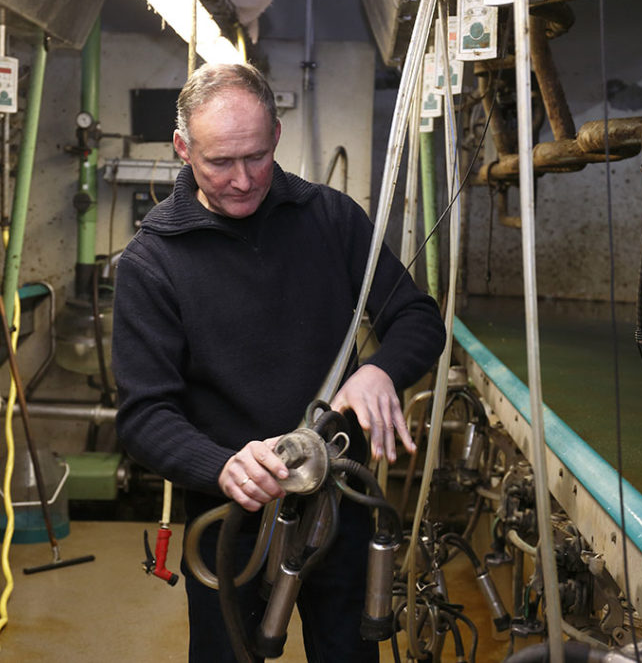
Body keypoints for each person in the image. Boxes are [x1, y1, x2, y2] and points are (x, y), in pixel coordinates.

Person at [112, 62, 446, 663]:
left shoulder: (330, 218)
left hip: (338, 503)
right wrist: (223, 466)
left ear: (277, 136)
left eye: (257, 156)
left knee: (348, 650)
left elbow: (418, 318)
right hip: (229, 519)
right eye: (220, 162)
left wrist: (380, 370)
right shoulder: (151, 262)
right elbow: (144, 416)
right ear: (183, 149)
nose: (242, 180)